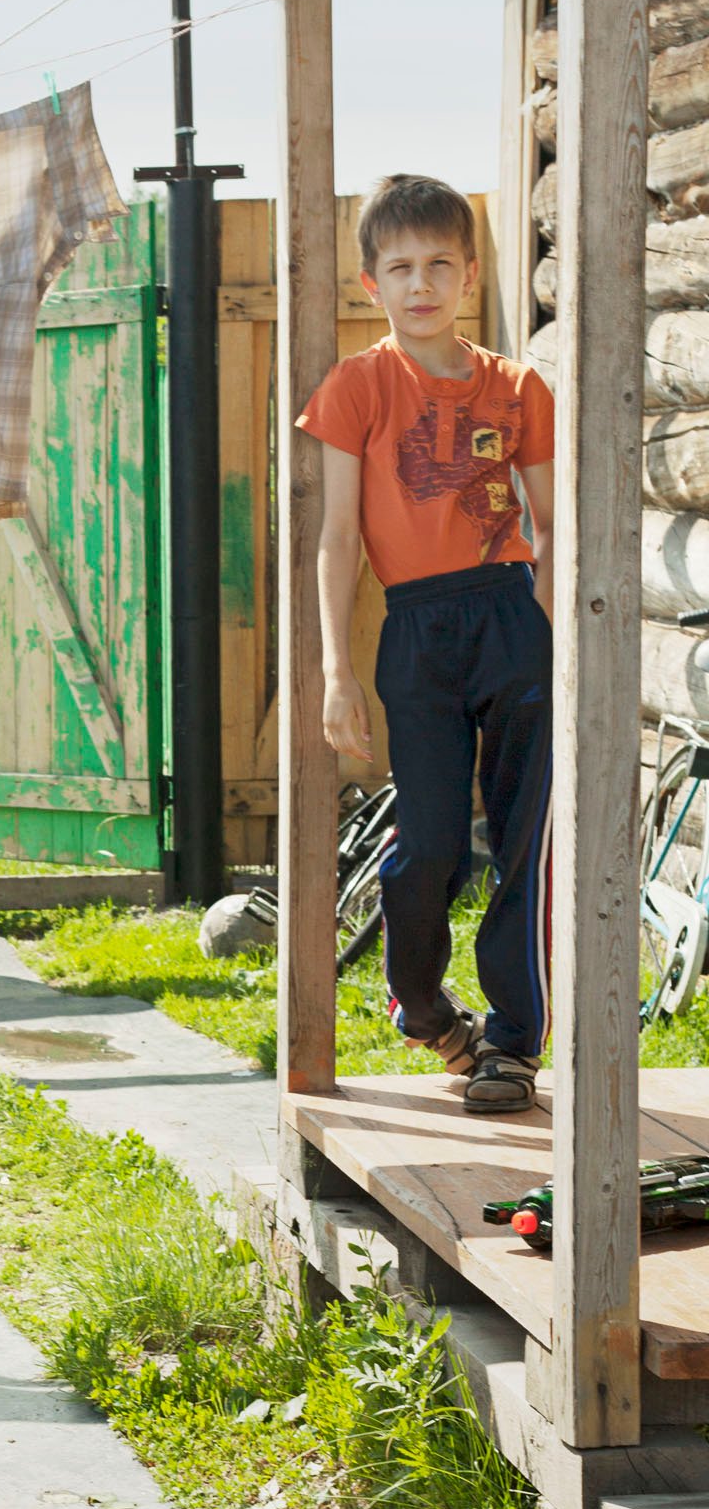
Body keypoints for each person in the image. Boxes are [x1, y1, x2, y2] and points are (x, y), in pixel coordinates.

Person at [303, 173, 555, 1116]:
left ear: (471, 275)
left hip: (510, 616)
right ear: (372, 284)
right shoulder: (357, 386)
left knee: (524, 840)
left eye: (439, 266)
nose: (422, 284)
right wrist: (336, 670)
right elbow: (336, 537)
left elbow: (549, 518)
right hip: (414, 630)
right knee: (431, 846)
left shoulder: (521, 387)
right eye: (401, 268)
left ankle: (512, 1045)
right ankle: (420, 1003)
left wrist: (545, 622)